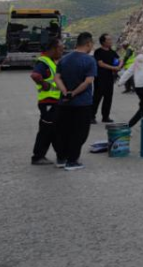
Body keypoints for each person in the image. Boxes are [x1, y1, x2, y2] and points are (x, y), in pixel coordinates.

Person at [55, 32, 97, 171]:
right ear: (88, 44)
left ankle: (61, 158)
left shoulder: (64, 59)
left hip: (64, 102)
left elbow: (57, 78)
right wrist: (74, 93)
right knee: (79, 132)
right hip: (82, 103)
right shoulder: (89, 60)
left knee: (64, 131)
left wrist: (65, 92)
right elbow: (88, 81)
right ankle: (72, 161)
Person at [30, 37, 64, 165]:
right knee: (47, 130)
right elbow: (35, 75)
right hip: (47, 101)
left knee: (53, 129)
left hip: (54, 101)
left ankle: (61, 154)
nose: (62, 51)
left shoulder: (51, 61)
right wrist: (44, 84)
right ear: (54, 48)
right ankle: (38, 157)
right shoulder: (43, 62)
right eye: (61, 49)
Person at [91, 33, 121, 124]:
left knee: (108, 98)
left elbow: (119, 60)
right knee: (97, 97)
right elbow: (101, 64)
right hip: (100, 78)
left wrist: (119, 66)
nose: (110, 41)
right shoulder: (98, 52)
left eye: (111, 39)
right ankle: (91, 116)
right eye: (108, 40)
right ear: (103, 42)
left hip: (109, 78)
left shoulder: (112, 52)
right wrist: (114, 68)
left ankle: (105, 116)